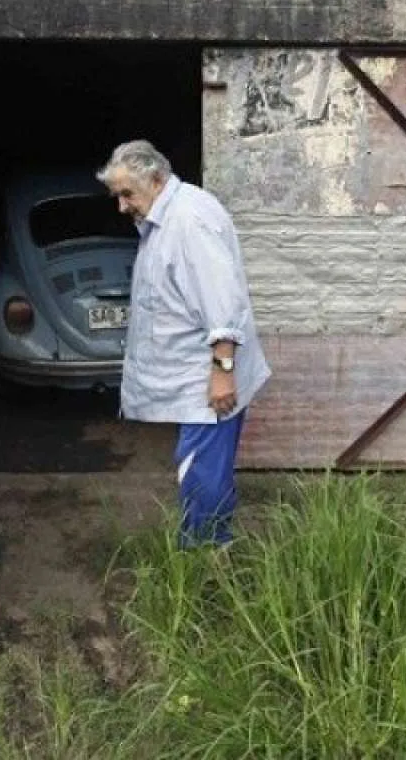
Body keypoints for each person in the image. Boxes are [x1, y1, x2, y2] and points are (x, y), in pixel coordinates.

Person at [96, 140, 271, 548]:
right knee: (206, 468)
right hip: (200, 375)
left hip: (207, 380)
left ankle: (205, 556)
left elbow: (222, 303)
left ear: (155, 180)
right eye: (117, 196)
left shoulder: (189, 220)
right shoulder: (167, 216)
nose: (122, 207)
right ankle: (213, 546)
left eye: (127, 194)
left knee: (201, 471)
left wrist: (223, 374)